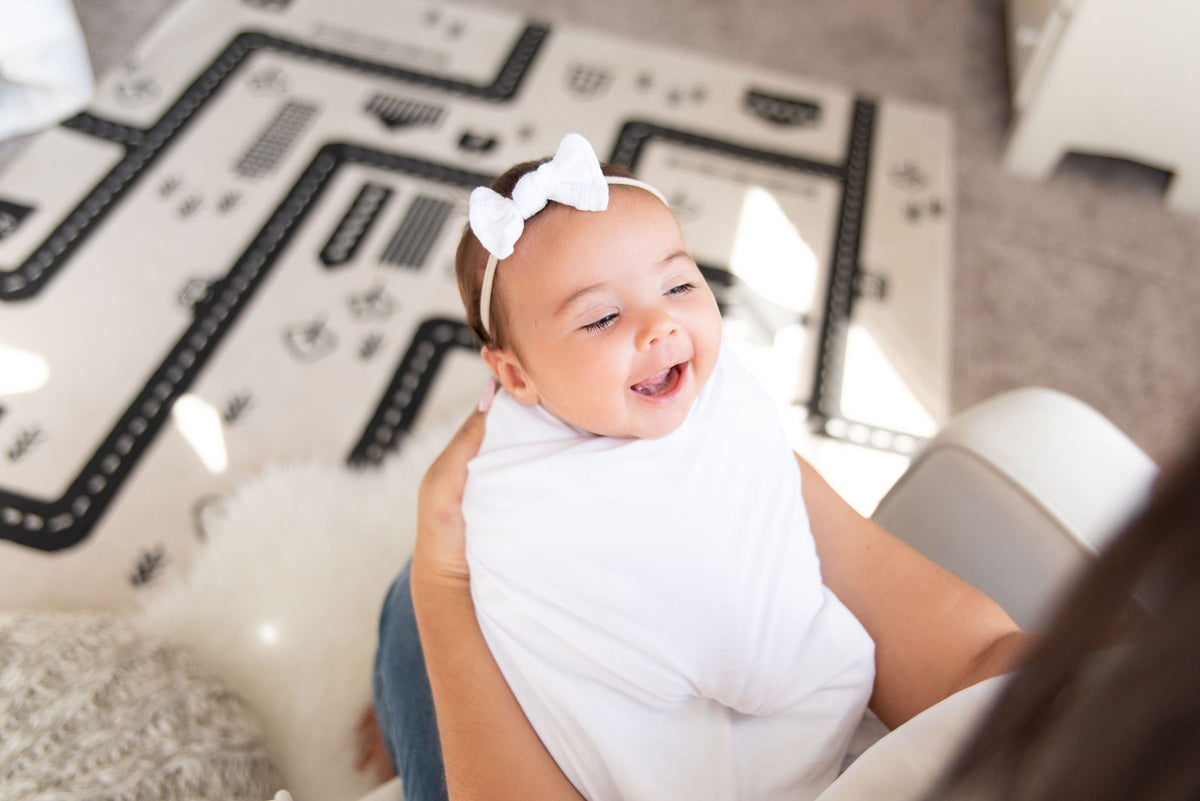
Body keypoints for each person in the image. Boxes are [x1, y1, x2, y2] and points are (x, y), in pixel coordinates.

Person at [373, 134, 1029, 801]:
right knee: (414, 606)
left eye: (681, 284)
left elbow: (759, 636)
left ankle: (395, 728)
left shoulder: (696, 482)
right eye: (602, 316)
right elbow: (951, 653)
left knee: (406, 613)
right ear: (515, 376)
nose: (660, 323)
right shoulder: (524, 488)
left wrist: (440, 581)